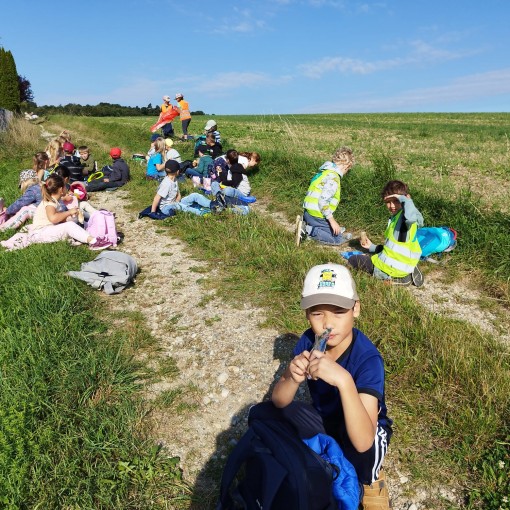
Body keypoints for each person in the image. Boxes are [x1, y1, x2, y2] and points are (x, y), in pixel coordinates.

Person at [249, 263, 392, 510]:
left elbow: (363, 441)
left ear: (356, 309)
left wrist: (344, 381)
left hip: (364, 426)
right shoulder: (308, 341)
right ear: (307, 314)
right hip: (325, 418)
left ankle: (370, 480)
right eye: (318, 313)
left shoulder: (368, 359)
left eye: (338, 312)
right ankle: (319, 458)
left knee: (364, 454)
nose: (328, 324)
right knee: (263, 413)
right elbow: (280, 401)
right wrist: (291, 377)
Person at [1, 175, 111, 251]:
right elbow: (53, 218)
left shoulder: (54, 201)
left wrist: (72, 215)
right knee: (69, 225)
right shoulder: (50, 203)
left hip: (45, 230)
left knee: (72, 221)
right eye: (65, 186)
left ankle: (93, 233)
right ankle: (94, 242)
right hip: (40, 233)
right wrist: (69, 213)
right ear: (61, 190)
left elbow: (58, 219)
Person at [348, 180, 424, 287]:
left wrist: (404, 199)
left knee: (353, 260)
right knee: (372, 255)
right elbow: (393, 248)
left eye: (396, 201)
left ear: (406, 199)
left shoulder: (405, 219)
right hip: (404, 262)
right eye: (388, 202)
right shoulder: (405, 216)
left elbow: (410, 217)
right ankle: (407, 271)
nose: (392, 206)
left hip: (389, 269)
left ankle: (399, 278)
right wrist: (372, 247)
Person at [296, 146, 355, 246]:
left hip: (308, 212)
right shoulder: (334, 178)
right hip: (317, 215)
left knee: (336, 232)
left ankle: (306, 223)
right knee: (337, 240)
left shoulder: (324, 173)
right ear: (347, 166)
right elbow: (322, 201)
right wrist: (332, 221)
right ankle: (308, 230)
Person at [150, 160, 223, 216]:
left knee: (194, 195)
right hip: (166, 208)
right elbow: (157, 198)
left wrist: (178, 201)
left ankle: (212, 204)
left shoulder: (174, 179)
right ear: (177, 171)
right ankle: (201, 213)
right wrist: (153, 212)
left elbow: (178, 194)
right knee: (179, 206)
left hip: (175, 203)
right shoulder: (166, 183)